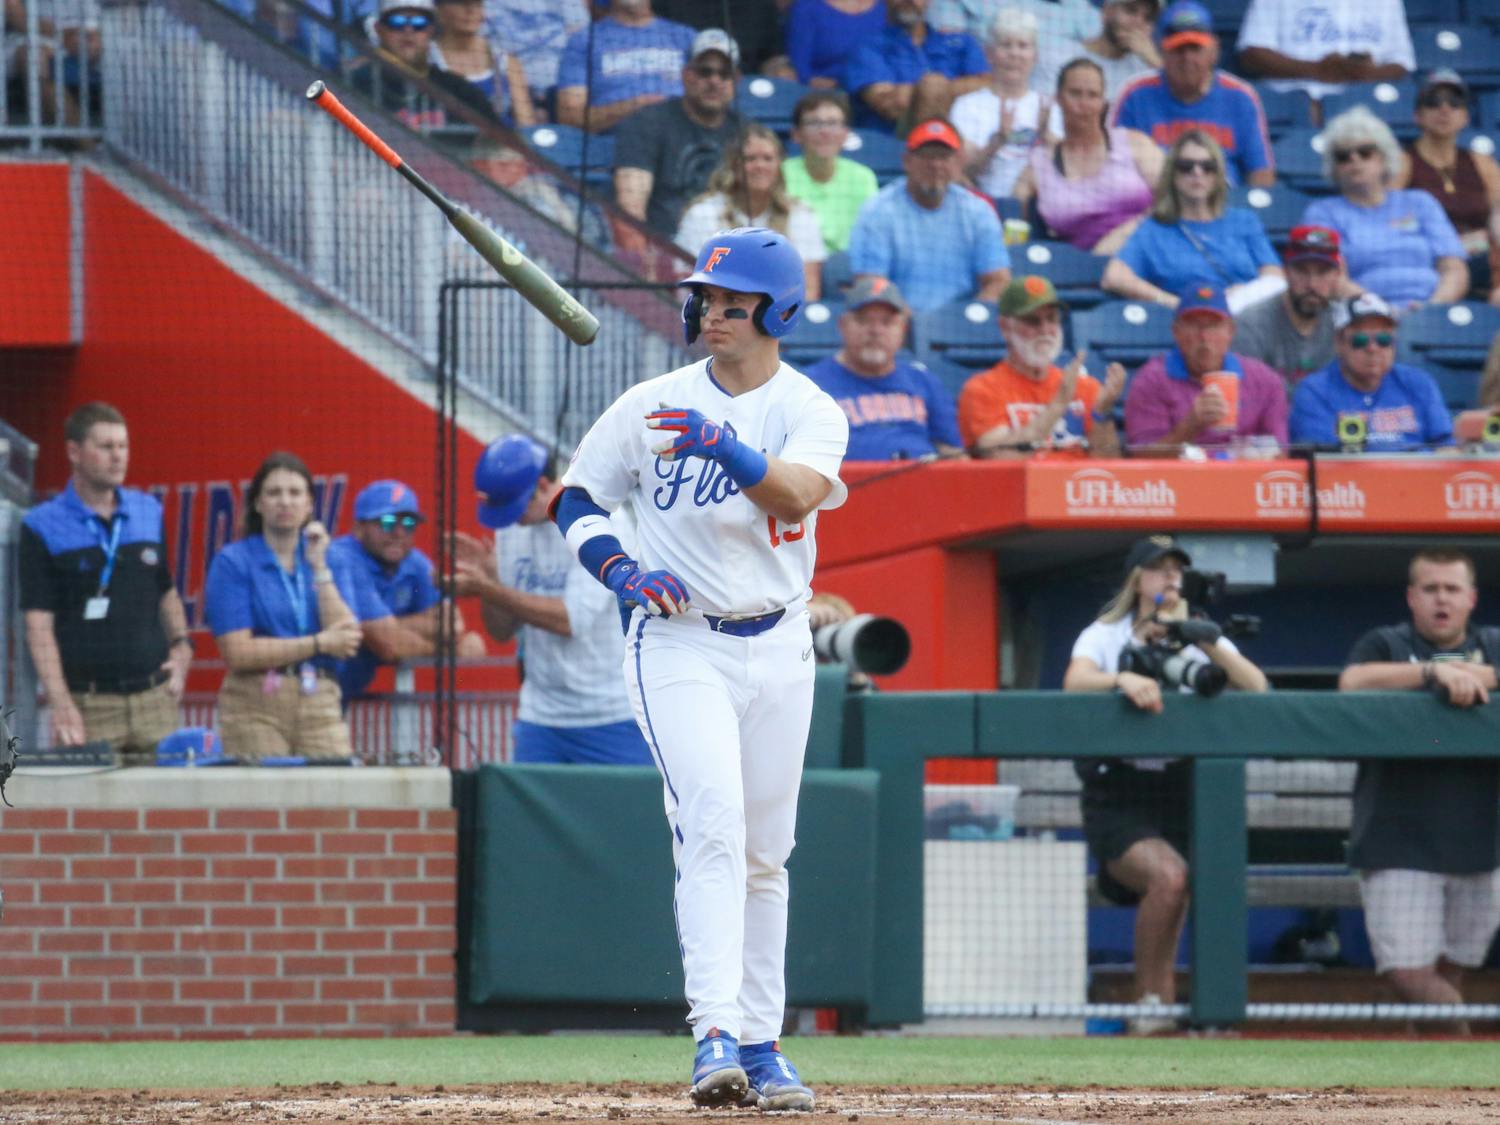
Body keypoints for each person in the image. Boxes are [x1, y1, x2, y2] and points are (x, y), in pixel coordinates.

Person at [550, 227, 848, 1110]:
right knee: (712, 822)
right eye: (706, 297)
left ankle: (762, 1045)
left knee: (767, 852)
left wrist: (726, 446)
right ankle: (713, 1032)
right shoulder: (652, 401)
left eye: (733, 300)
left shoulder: (810, 408)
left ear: (778, 309)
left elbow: (795, 493)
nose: (712, 311)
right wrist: (619, 568)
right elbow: (577, 496)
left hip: (781, 642)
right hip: (680, 640)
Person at [1063, 535, 1268, 1020]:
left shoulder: (1199, 635)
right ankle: (1150, 1002)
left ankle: (1167, 1007)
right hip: (1120, 790)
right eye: (1158, 569)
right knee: (1169, 876)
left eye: (1176, 570)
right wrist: (1122, 678)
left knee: (1185, 883)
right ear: (1138, 580)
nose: (1170, 578)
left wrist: (1204, 638)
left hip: (1184, 787)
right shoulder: (1106, 634)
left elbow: (1257, 687)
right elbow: (1075, 680)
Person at [1338, 549, 1500, 1026]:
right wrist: (1433, 672)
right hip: (1397, 839)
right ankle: (1471, 1064)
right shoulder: (1387, 643)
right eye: (1431, 589)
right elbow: (1352, 682)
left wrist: (1480, 675)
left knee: (1453, 968)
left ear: (1471, 598)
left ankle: (1433, 1085)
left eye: (1452, 589)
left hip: (1482, 840)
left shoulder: (1492, 644)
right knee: (1410, 973)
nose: (1441, 600)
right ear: (1412, 597)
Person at [444, 436, 651, 765]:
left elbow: (570, 620)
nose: (512, 518)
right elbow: (501, 631)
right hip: (540, 715)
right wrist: (490, 579)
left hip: (612, 712)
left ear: (542, 485)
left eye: (516, 507)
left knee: (620, 815)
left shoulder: (600, 522)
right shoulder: (512, 530)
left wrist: (488, 589)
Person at [20, 403, 193, 763]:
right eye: (106, 447)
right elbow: (38, 626)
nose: (118, 457)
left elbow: (166, 591)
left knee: (164, 813)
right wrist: (61, 702)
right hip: (90, 706)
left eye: (123, 446)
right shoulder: (42, 525)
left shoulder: (148, 510)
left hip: (154, 701)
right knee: (91, 816)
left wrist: (182, 647)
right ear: (74, 452)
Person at [203, 452, 364, 761]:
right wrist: (318, 643)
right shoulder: (233, 562)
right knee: (267, 800)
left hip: (319, 700)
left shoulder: (331, 558)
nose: (285, 502)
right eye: (274, 493)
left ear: (309, 504)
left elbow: (346, 640)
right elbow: (238, 653)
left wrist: (319, 569)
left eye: (295, 493)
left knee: (334, 795)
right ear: (258, 504)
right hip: (256, 702)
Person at [327, 480, 486, 704]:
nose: (399, 532)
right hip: (300, 686)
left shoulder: (413, 562)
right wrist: (453, 653)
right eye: (387, 522)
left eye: (409, 523)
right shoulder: (342, 557)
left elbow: (453, 624)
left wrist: (383, 628)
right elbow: (389, 645)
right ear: (359, 527)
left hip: (338, 694)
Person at [1303, 106, 1469, 310]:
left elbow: (1454, 268)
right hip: (1363, 317)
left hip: (1431, 312)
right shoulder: (1323, 212)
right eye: (1343, 156)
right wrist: (1380, 310)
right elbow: (1331, 277)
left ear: (1384, 158)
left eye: (1365, 152)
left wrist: (1432, 308)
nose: (1355, 159)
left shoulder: (1420, 202)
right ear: (1334, 167)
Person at [1102, 129, 1282, 308]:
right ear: (1172, 174)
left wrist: (1244, 294)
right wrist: (1177, 304)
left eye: (1207, 167)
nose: (1197, 173)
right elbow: (1114, 277)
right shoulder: (1154, 230)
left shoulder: (1244, 222)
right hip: (1190, 324)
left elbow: (1275, 279)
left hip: (1245, 317)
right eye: (1186, 167)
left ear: (1218, 174)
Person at [846, 118, 1011, 312]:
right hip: (898, 324)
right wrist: (919, 328)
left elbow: (999, 281)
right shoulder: (878, 211)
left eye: (944, 156)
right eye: (926, 156)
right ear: (907, 161)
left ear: (958, 162)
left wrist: (970, 317)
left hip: (962, 324)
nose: (935, 164)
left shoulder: (978, 212)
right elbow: (871, 284)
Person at [1110, 0, 1275, 188]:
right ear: (1162, 51)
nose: (1188, 58)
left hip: (1224, 206)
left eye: (1195, 48)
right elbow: (1116, 168)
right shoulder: (1135, 95)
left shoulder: (1240, 96)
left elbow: (1261, 173)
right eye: (1179, 49)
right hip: (1155, 207)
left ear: (1214, 51)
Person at [959, 275, 1127, 457]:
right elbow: (1003, 459)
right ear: (1005, 327)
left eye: (1052, 318)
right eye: (1033, 321)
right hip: (1019, 485)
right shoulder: (982, 390)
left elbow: (1108, 464)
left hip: (1074, 483)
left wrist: (1102, 413)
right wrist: (1059, 404)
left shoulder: (1085, 386)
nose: (1045, 329)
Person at [1012, 57, 1161, 254]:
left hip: (1146, 251)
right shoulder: (1040, 164)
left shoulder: (1135, 144)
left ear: (1103, 103)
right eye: (1075, 94)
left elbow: (1174, 199)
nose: (1084, 104)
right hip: (1082, 270)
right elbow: (1012, 219)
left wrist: (1122, 236)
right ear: (1058, 98)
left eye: (1092, 95)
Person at [805, 277, 964, 460]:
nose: (875, 331)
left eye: (887, 322)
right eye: (864, 321)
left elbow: (953, 451)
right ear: (843, 325)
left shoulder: (923, 380)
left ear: (902, 330)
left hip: (920, 483)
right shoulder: (812, 386)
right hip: (850, 485)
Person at [612, 28, 745, 241]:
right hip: (667, 248)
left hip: (731, 249)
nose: (714, 80)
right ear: (686, 75)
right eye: (705, 71)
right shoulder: (648, 123)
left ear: (736, 81)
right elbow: (630, 213)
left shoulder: (745, 132)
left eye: (724, 74)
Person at [1124, 282, 1289, 453]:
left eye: (1214, 325)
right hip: (1179, 477)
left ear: (1230, 331)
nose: (1204, 336)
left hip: (1242, 476)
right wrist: (1190, 425)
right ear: (1176, 332)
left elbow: (1281, 452)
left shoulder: (1264, 381)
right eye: (1194, 325)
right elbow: (1141, 458)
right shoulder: (1152, 380)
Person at [675, 124, 828, 299]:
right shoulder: (702, 214)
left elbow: (808, 291)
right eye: (750, 159)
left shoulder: (801, 215)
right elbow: (688, 286)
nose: (760, 166)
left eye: (768, 158)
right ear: (734, 166)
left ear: (779, 165)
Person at [1288, 293, 1453, 451]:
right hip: (1348, 479)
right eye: (1360, 340)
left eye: (1383, 340)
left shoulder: (1419, 383)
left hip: (1418, 476)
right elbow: (1322, 461)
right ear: (1339, 343)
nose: (1372, 348)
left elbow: (1447, 448)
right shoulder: (1314, 391)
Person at [1395, 70, 1500, 305]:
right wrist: (1450, 244)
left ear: (1465, 116)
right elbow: (1391, 221)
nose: (1444, 110)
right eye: (1433, 102)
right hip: (1430, 261)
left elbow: (1498, 215)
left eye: (1454, 103)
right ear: (1417, 115)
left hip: (1483, 262)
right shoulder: (1403, 163)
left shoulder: (1482, 163)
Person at [949, 8, 1063, 200]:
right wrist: (997, 142)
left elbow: (1065, 168)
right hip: (980, 202)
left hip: (1037, 207)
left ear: (1035, 56)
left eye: (1023, 46)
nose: (1014, 54)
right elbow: (963, 172)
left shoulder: (1049, 108)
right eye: (1006, 45)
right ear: (989, 54)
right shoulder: (967, 106)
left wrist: (1046, 139)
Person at [351, 0, 500, 132]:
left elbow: (499, 138)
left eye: (419, 23)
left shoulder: (458, 90)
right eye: (397, 22)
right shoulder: (354, 84)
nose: (408, 31)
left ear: (431, 31)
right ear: (379, 29)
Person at [842, 0, 989, 133]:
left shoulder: (962, 43)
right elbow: (889, 105)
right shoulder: (869, 47)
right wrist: (951, 90)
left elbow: (988, 88)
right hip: (892, 141)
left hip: (963, 138)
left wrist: (930, 90)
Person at [1231, 225, 1345, 394]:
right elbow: (1248, 399)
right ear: (1285, 272)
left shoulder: (1345, 324)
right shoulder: (1251, 324)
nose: (1312, 284)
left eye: (1322, 272)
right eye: (1301, 271)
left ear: (1337, 275)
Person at [554, 0, 696, 134]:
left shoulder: (686, 37)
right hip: (612, 148)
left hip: (684, 142)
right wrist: (636, 106)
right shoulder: (583, 41)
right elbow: (571, 118)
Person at [1236, 0, 1413, 102]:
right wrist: (1317, 70)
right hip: (1296, 99)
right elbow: (1252, 54)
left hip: (1366, 99)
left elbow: (1402, 62)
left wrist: (1365, 73)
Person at [927, 0, 1102, 94]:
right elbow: (946, 59)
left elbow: (1101, 51)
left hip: (1058, 104)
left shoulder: (1077, 7)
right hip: (986, 95)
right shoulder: (956, 5)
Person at [782, 90, 878, 256]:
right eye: (813, 123)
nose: (824, 132)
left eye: (833, 123)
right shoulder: (780, 174)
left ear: (845, 134)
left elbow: (871, 235)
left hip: (847, 268)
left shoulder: (863, 177)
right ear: (796, 134)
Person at [430, 0, 535, 126]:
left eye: (477, 4)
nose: (471, 10)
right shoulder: (427, 58)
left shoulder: (506, 61)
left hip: (501, 143)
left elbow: (526, 124)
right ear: (439, 10)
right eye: (461, 3)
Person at [481, 0, 588, 111]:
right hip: (515, 91)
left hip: (565, 92)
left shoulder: (570, 4)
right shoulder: (489, 5)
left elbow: (582, 36)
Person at [654, 0, 789, 77]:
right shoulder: (666, 3)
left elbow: (772, 57)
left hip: (746, 86)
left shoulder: (761, 5)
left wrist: (777, 70)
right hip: (685, 83)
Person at [784, 0, 886, 89]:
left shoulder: (885, 7)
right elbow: (799, 68)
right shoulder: (807, 7)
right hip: (826, 93)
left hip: (877, 89)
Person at [1071, 0, 1160, 100]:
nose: (1138, 23)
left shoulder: (1149, 69)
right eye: (1131, 11)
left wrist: (1155, 61)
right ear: (1106, 11)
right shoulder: (1068, 56)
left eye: (1148, 18)